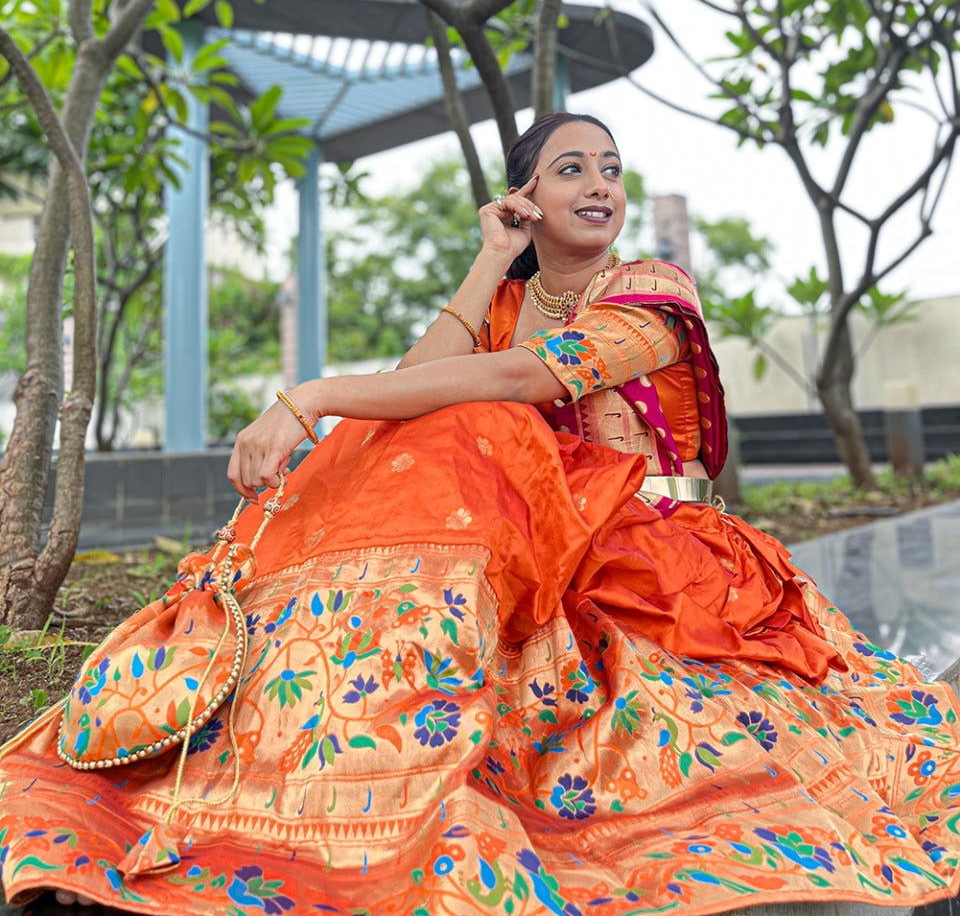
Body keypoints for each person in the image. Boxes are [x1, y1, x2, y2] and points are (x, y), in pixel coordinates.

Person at [1, 112, 959, 916]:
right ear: (525, 198)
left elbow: (529, 377)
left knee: (477, 423)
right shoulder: (509, 296)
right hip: (525, 539)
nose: (599, 184)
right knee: (430, 432)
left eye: (612, 169)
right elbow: (418, 382)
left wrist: (314, 393)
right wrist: (489, 259)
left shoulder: (654, 292)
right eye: (569, 168)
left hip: (650, 543)